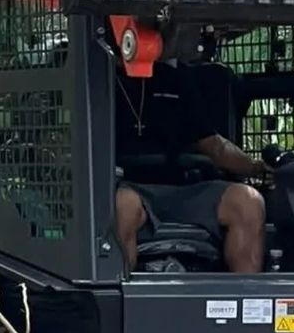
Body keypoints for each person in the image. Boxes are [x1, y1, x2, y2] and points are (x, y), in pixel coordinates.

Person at [113, 58, 267, 273]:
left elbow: (213, 145)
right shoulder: (101, 79)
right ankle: (120, 296)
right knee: (123, 205)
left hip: (184, 188)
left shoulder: (175, 78)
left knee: (247, 201)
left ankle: (247, 298)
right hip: (127, 188)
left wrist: (256, 168)